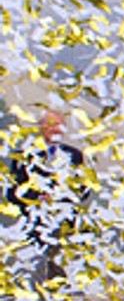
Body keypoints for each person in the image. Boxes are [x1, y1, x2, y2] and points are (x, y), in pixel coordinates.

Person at [5, 108, 90, 285]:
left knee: (57, 270)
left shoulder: (75, 156)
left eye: (60, 125)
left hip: (62, 224)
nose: (57, 130)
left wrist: (61, 199)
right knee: (26, 271)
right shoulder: (25, 156)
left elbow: (82, 189)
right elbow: (13, 192)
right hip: (30, 224)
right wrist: (37, 199)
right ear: (41, 127)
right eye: (52, 125)